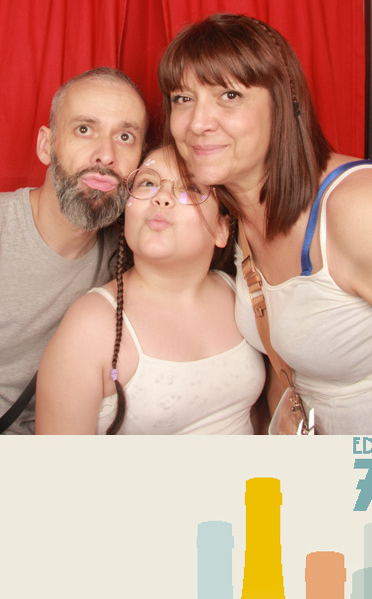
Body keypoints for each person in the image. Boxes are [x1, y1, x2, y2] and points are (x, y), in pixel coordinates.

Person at [160, 13, 372, 434]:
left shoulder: (358, 208)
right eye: (183, 98)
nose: (197, 123)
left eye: (229, 95)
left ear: (283, 103)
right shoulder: (229, 218)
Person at [0, 67, 147, 434]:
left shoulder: (132, 258)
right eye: (84, 129)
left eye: (125, 136)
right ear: (46, 146)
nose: (106, 155)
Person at [36, 146, 265, 434]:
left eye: (191, 188)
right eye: (148, 183)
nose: (162, 197)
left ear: (222, 229)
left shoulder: (240, 292)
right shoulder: (89, 326)